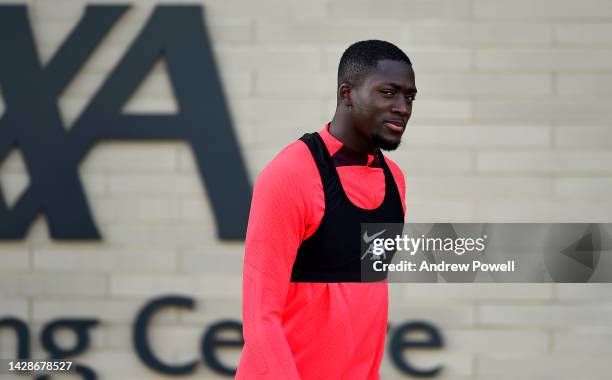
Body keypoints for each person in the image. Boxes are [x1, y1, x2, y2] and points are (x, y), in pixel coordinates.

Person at [235, 40, 417, 380]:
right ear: (347, 93)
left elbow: (368, 304)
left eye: (409, 97)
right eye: (388, 92)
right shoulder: (290, 174)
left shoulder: (395, 181)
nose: (402, 107)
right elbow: (260, 318)